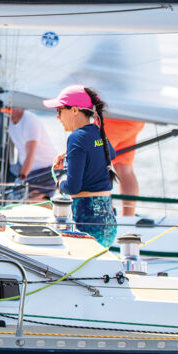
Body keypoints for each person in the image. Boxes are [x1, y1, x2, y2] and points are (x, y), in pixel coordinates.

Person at [42, 85, 117, 247]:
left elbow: (73, 187)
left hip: (87, 222)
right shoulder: (97, 131)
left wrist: (59, 184)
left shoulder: (76, 138)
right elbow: (111, 154)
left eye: (59, 111)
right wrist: (72, 154)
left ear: (74, 110)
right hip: (108, 222)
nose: (58, 117)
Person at [6, 107, 57, 200]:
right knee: (24, 200)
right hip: (30, 171)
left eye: (9, 108)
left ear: (19, 107)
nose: (6, 111)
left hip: (46, 169)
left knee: (35, 200)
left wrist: (21, 179)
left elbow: (30, 154)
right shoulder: (8, 122)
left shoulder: (30, 121)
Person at [102, 118, 145, 217]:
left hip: (113, 120)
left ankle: (103, 217)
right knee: (125, 169)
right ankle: (128, 217)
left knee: (95, 162)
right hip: (133, 120)